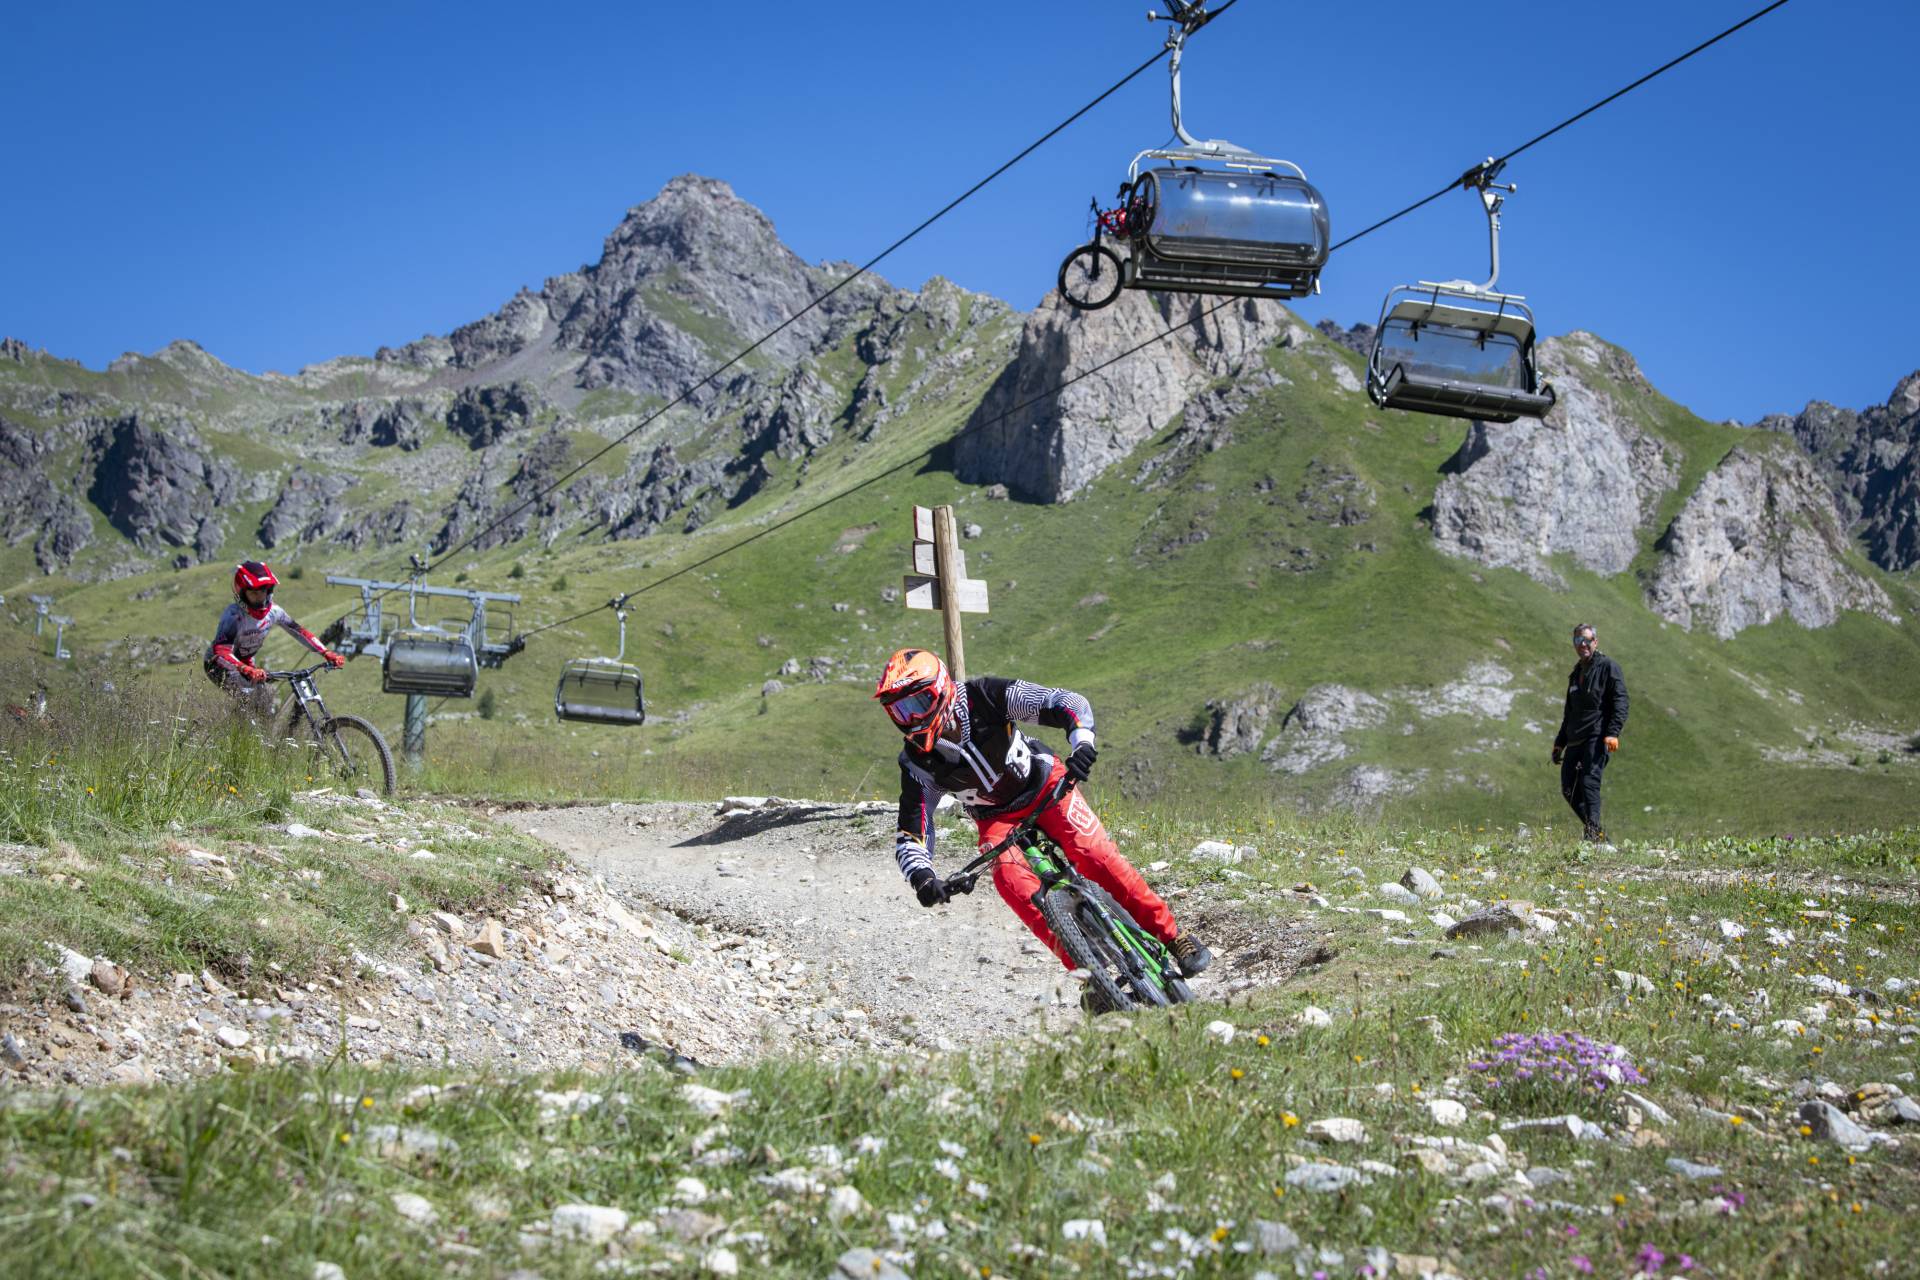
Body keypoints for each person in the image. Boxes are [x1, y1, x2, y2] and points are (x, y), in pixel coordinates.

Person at [875, 647, 1212, 1006]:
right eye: (899, 710)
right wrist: (923, 878)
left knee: (1094, 855)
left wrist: (1082, 741)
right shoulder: (916, 762)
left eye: (918, 703)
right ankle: (1090, 977)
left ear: (941, 687)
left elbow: (1065, 702)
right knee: (1010, 883)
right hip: (996, 819)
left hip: (1046, 784)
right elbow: (912, 829)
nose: (910, 718)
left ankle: (1173, 935)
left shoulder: (985, 696)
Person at [204, 561, 343, 714]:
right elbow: (221, 650)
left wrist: (326, 652)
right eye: (253, 593)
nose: (259, 597)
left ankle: (251, 732)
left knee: (265, 704)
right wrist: (245, 669)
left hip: (247, 664)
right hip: (218, 664)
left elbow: (299, 631)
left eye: (263, 591)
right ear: (242, 594)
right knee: (248, 700)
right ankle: (236, 733)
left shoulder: (274, 611)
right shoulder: (233, 616)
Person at [1551, 622, 1628, 844]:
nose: (1582, 644)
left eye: (1586, 640)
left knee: (1588, 783)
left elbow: (1621, 701)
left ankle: (1593, 835)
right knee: (1568, 788)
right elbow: (1569, 713)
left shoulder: (1608, 667)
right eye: (1578, 641)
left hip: (1597, 736)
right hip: (1575, 737)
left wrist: (1613, 732)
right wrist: (1559, 743)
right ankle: (1597, 833)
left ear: (1595, 641)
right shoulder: (1575, 674)